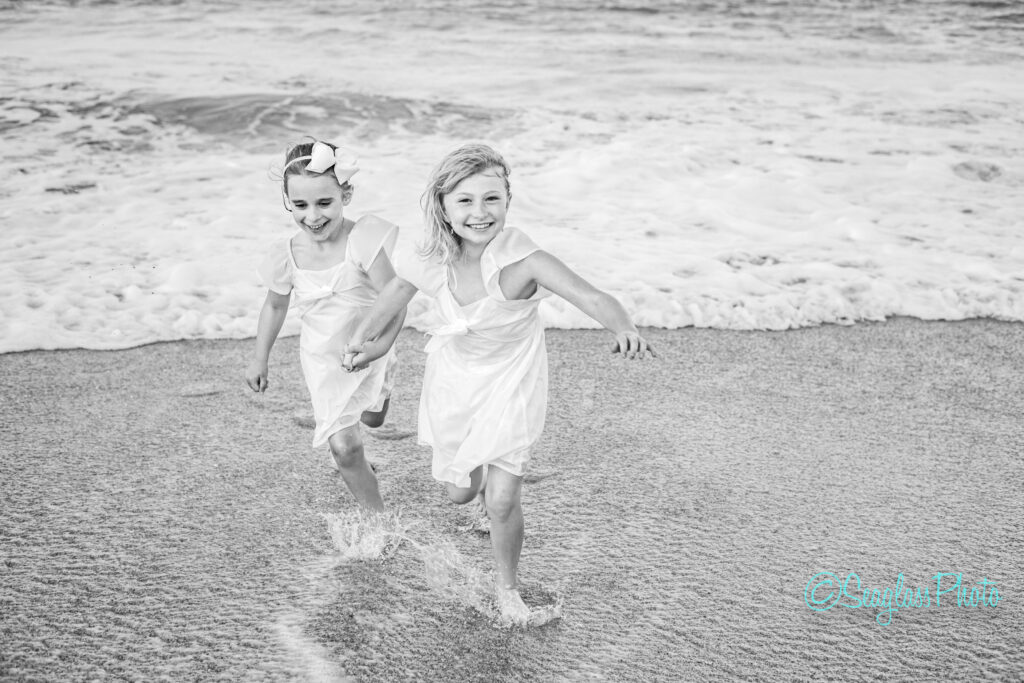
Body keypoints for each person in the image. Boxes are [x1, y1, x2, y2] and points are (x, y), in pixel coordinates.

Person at [342, 143, 654, 623]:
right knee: (460, 493)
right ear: (443, 205)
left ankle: (508, 591)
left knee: (504, 499)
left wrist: (623, 327)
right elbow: (393, 297)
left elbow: (590, 295)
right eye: (465, 201)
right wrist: (365, 341)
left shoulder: (523, 260)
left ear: (508, 201)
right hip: (453, 382)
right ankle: (479, 481)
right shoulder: (432, 258)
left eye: (492, 199)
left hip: (512, 381)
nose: (480, 213)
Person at [245, 140, 405, 512]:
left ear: (344, 195)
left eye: (324, 203)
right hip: (323, 359)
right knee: (345, 447)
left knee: (374, 418)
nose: (312, 216)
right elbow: (274, 305)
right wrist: (259, 358)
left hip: (373, 345)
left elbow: (395, 302)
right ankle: (377, 519)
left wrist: (377, 349)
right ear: (287, 201)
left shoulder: (363, 240)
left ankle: (371, 407)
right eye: (300, 205)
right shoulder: (286, 256)